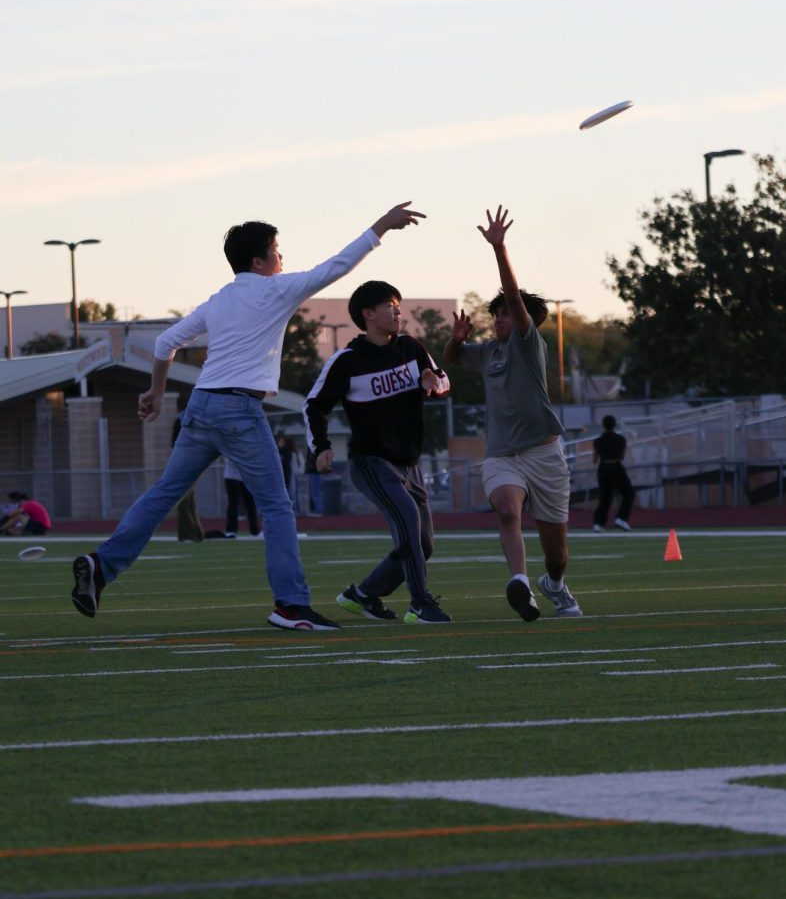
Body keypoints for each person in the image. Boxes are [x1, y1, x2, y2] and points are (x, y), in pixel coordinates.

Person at [70, 201, 426, 632]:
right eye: (277, 250)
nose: (282, 257)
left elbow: (165, 343)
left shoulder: (219, 301)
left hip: (200, 407)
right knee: (277, 506)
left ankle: (101, 565)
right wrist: (381, 227)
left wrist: (157, 391)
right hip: (239, 408)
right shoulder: (273, 289)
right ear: (259, 261)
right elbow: (338, 265)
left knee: (164, 494)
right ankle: (291, 606)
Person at [443, 206, 581, 622]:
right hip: (503, 454)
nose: (498, 318)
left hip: (544, 454)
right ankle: (520, 582)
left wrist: (500, 249)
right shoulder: (488, 353)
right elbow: (452, 358)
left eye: (504, 313)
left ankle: (553, 584)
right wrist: (455, 339)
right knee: (506, 510)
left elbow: (516, 300)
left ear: (523, 320)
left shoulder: (527, 344)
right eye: (496, 313)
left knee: (556, 552)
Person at [304, 280, 452, 624]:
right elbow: (314, 405)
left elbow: (443, 380)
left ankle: (364, 594)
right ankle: (420, 604)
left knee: (424, 545)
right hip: (371, 461)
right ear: (367, 314)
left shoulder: (411, 347)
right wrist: (321, 448)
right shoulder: (348, 360)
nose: (398, 311)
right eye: (390, 305)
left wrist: (433, 380)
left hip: (410, 462)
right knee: (408, 524)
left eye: (399, 304)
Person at [592, 415, 635, 532]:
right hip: (616, 467)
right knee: (628, 493)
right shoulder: (621, 439)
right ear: (614, 425)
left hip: (603, 468)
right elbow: (622, 455)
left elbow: (594, 460)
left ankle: (598, 523)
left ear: (603, 425)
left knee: (605, 497)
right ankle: (621, 518)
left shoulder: (598, 441)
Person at [171, 410, 205, 542]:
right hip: (184, 461)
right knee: (185, 500)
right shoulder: (184, 418)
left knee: (190, 500)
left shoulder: (188, 417)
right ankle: (188, 533)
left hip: (189, 460)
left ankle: (195, 533)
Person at [223, 456, 261, 538]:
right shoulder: (229, 445)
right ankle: (231, 530)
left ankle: (255, 530)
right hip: (232, 477)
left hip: (246, 478)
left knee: (251, 504)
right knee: (233, 504)